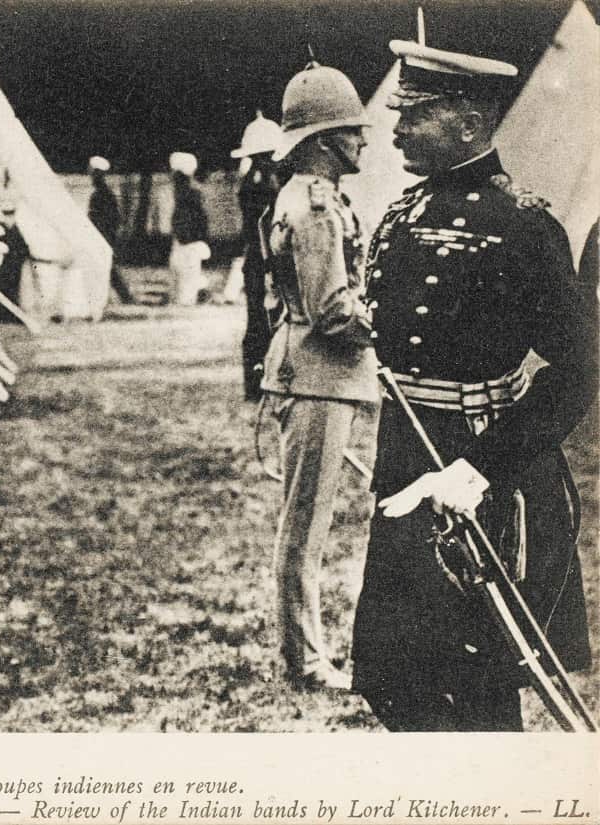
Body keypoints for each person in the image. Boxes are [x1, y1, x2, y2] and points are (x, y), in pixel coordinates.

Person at [352, 39, 597, 731]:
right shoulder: (400, 214)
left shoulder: (522, 226)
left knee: (478, 681)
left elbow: (580, 367)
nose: (396, 128)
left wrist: (479, 468)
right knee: (391, 673)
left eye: (416, 114)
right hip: (405, 462)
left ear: (468, 121)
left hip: (480, 473)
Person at [260, 61, 377, 691]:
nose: (364, 140)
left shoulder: (309, 198)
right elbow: (334, 311)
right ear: (327, 139)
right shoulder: (316, 205)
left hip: (315, 373)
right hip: (319, 373)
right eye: (354, 130)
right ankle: (304, 661)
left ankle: (304, 655)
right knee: (305, 526)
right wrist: (389, 325)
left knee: (307, 521)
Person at [231, 113, 285, 401]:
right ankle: (260, 380)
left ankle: (259, 381)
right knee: (263, 320)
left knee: (260, 319)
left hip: (257, 256)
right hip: (262, 256)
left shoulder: (251, 177)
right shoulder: (262, 180)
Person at [86, 155, 133, 305]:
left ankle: (124, 298)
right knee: (109, 270)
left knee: (107, 270)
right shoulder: (104, 194)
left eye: (93, 173)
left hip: (103, 237)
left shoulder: (101, 195)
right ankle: (124, 297)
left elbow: (107, 219)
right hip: (104, 236)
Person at [166, 151, 209, 306]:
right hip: (181, 241)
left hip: (189, 242)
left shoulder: (192, 193)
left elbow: (200, 219)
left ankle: (201, 290)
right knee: (177, 284)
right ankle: (201, 289)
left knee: (185, 296)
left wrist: (193, 238)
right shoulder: (181, 193)